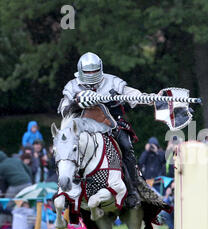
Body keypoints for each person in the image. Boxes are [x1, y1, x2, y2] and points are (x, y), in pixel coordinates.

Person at [58, 52, 148, 208]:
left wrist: (146, 97)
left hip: (111, 124)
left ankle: (132, 191)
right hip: (82, 126)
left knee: (126, 147)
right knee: (65, 148)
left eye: (94, 71)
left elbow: (130, 93)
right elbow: (63, 108)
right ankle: (64, 188)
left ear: (100, 69)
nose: (92, 75)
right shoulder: (72, 86)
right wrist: (78, 101)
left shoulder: (112, 81)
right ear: (81, 71)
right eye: (88, 72)